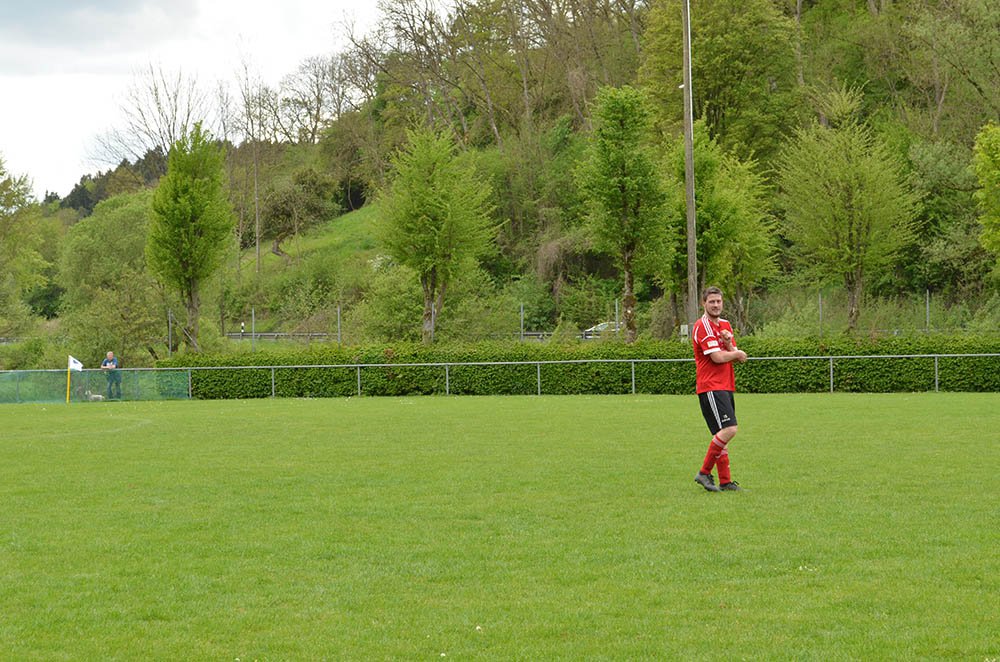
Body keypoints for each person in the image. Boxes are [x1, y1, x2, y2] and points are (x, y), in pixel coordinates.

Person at [692, 286, 747, 492]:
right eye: (711, 302)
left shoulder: (725, 325)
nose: (716, 305)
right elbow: (717, 357)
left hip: (725, 384)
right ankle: (704, 472)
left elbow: (733, 354)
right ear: (703, 304)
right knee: (729, 429)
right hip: (711, 386)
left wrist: (728, 343)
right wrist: (737, 353)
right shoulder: (702, 326)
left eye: (718, 301)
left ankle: (725, 481)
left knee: (721, 434)